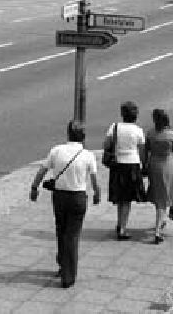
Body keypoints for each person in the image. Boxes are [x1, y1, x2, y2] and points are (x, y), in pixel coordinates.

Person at [29, 120, 100, 289]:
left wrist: (34, 187)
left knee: (61, 230)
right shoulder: (87, 155)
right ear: (83, 137)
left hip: (60, 197)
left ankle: (62, 264)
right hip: (78, 198)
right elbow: (94, 179)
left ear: (68, 134)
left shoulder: (57, 151)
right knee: (73, 235)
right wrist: (97, 193)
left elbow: (42, 170)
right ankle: (68, 276)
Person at [105, 101, 146, 240]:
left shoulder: (114, 127)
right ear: (136, 116)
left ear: (122, 114)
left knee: (120, 197)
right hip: (132, 165)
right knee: (127, 199)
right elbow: (142, 151)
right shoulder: (138, 131)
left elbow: (106, 144)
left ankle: (119, 223)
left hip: (117, 165)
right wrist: (144, 166)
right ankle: (122, 228)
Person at [143, 109, 173, 244]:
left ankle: (161, 219)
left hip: (154, 166)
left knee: (159, 196)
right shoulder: (171, 135)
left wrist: (144, 166)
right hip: (168, 166)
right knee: (163, 198)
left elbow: (145, 152)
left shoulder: (150, 133)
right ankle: (158, 231)